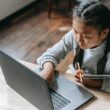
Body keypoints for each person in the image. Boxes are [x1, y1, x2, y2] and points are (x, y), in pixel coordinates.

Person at [37, 0, 110, 93]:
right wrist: (48, 69)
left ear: (104, 33)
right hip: (78, 81)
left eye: (86, 36)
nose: (78, 39)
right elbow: (51, 54)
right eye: (75, 31)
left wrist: (91, 82)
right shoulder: (76, 34)